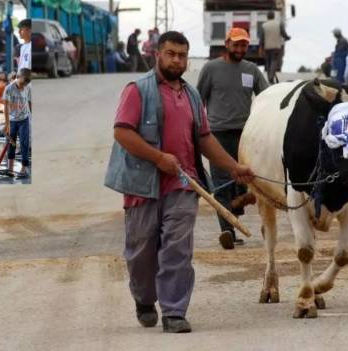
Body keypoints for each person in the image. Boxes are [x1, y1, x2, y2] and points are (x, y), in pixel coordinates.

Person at [105, 31, 255, 333]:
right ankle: (145, 299)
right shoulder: (137, 90)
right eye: (171, 53)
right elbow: (122, 132)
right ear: (157, 54)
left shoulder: (191, 95)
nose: (177, 60)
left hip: (183, 185)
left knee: (178, 248)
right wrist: (159, 158)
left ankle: (174, 311)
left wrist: (234, 167)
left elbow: (204, 138)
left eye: (182, 55)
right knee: (142, 251)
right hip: (142, 186)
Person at [197, 27, 268, 249]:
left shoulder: (252, 70)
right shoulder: (211, 68)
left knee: (247, 178)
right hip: (216, 135)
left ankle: (238, 202)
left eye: (244, 44)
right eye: (236, 44)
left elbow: (266, 96)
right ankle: (227, 231)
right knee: (221, 183)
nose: (240, 48)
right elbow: (199, 100)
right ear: (227, 44)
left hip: (246, 135)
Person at [1, 68, 32, 179]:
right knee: (11, 143)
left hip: (24, 119)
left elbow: (29, 101)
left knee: (24, 143)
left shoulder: (27, 88)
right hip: (12, 120)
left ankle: (24, 169)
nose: (23, 86)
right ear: (17, 78)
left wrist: (31, 115)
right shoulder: (9, 89)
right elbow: (5, 106)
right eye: (22, 84)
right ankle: (10, 168)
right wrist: (7, 123)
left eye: (25, 84)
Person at [260, 11, 290, 84]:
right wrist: (287, 38)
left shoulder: (264, 25)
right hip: (276, 47)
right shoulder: (279, 24)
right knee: (274, 61)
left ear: (267, 17)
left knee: (268, 63)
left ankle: (270, 78)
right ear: (274, 16)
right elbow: (284, 34)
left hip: (267, 48)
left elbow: (262, 38)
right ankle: (271, 77)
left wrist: (261, 47)